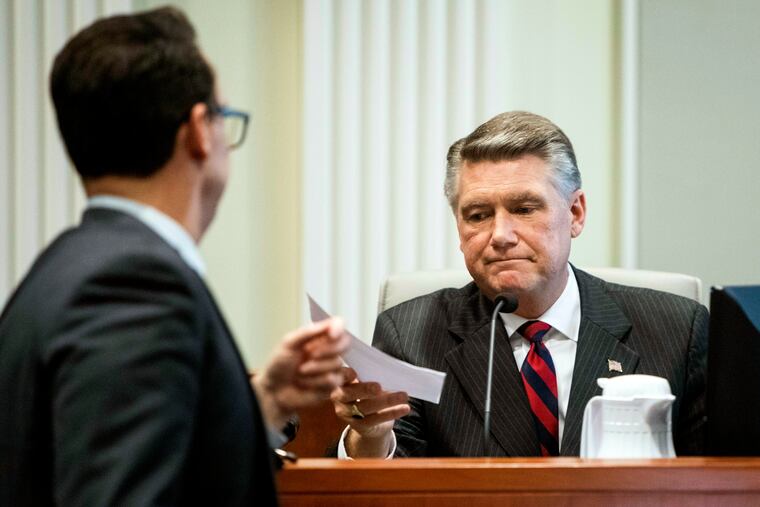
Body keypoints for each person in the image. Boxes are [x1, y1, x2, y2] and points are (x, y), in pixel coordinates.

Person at [0, 7, 348, 506]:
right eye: (225, 117)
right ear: (199, 131)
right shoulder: (134, 285)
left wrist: (265, 402)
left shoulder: (63, 267)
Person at [331, 111, 708, 458]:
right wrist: (373, 435)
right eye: (478, 215)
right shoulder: (411, 334)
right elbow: (394, 485)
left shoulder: (676, 329)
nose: (500, 235)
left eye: (525, 209)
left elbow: (722, 479)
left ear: (575, 214)